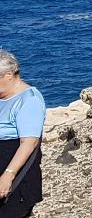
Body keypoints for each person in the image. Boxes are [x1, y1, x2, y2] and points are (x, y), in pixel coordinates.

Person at [0, 50, 45, 218]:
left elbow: (29, 142)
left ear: (9, 75)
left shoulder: (29, 100)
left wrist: (8, 175)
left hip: (15, 179)